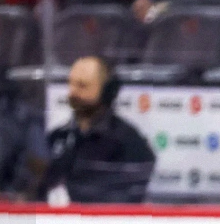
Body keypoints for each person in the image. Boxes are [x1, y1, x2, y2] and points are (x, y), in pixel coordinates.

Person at [39, 56, 155, 204]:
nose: (72, 92)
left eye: (82, 86)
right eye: (71, 84)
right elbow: (37, 191)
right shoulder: (58, 137)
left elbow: (125, 202)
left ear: (107, 91)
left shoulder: (130, 143)